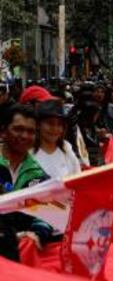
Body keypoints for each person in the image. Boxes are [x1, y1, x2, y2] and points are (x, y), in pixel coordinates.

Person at [0, 104, 53, 262]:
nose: (24, 135)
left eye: (31, 132)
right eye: (18, 129)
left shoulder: (40, 175)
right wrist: (12, 237)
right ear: (3, 132)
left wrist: (36, 235)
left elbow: (48, 214)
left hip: (19, 258)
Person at [33, 100, 81, 179]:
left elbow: (77, 179)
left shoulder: (67, 149)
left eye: (59, 124)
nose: (55, 129)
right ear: (38, 125)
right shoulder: (28, 153)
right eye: (50, 123)